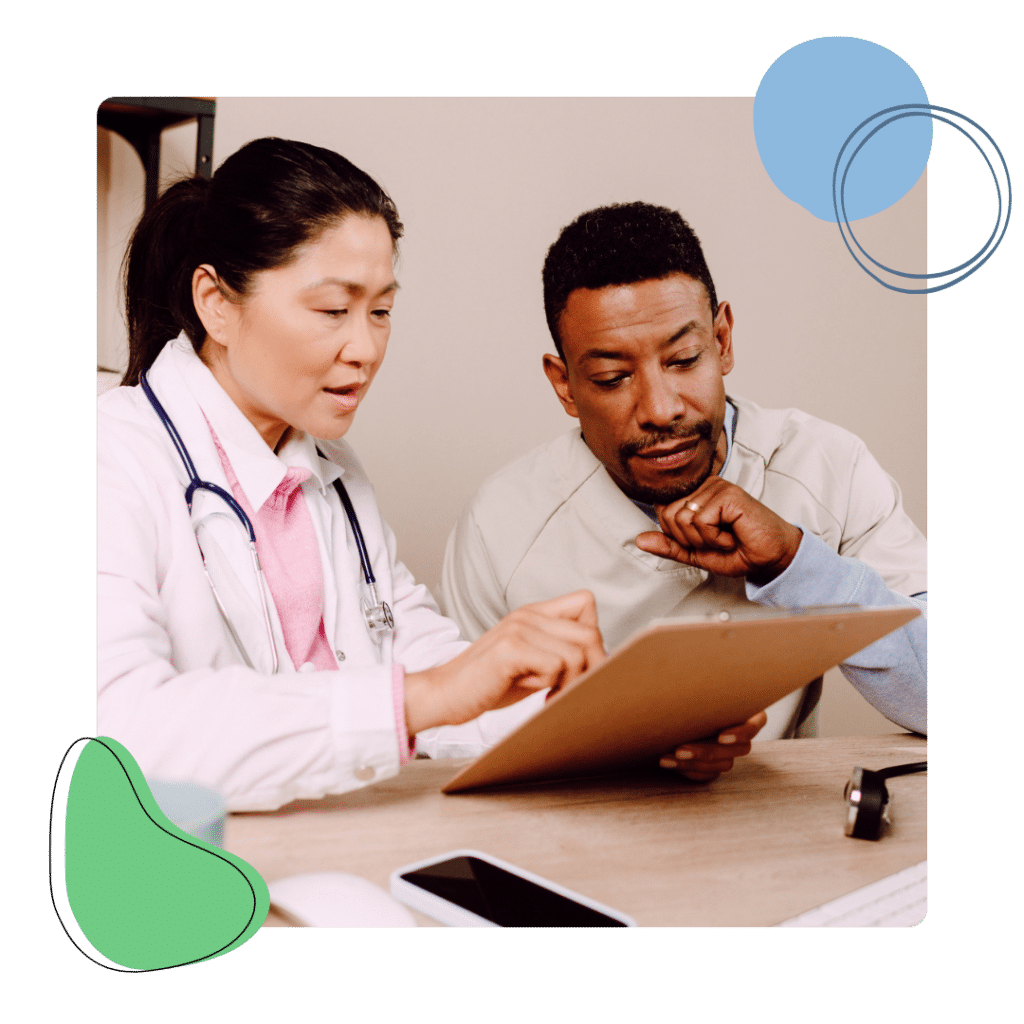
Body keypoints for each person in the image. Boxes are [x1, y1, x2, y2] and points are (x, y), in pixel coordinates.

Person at [97, 138, 607, 812]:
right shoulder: (111, 460)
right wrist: (419, 699)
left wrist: (620, 719)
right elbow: (121, 737)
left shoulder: (334, 475)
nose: (365, 348)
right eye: (334, 310)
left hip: (339, 839)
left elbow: (438, 669)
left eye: (382, 311)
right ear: (216, 303)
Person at [440, 202, 927, 781]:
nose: (661, 408)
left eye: (684, 359)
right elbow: (455, 747)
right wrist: (622, 740)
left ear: (721, 340)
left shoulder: (826, 467)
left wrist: (795, 564)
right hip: (582, 841)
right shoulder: (502, 525)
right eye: (611, 378)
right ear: (564, 384)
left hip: (781, 828)